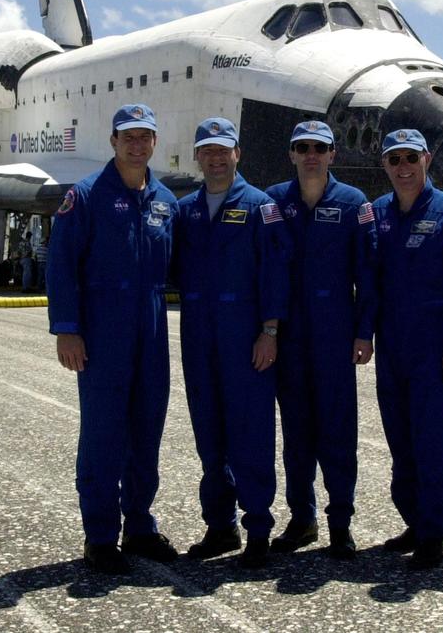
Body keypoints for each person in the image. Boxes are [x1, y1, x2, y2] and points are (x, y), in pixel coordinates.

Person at [46, 103, 180, 575]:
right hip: (103, 329)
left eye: (145, 137)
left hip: (151, 324)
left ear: (154, 143)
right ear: (113, 142)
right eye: (129, 137)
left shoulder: (166, 201)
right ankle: (100, 536)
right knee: (103, 434)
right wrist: (67, 328)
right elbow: (61, 264)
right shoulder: (85, 197)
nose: (137, 145)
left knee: (146, 431)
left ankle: (139, 527)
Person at [173, 117, 290, 569]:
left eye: (224, 150)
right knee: (209, 435)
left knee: (251, 432)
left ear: (237, 154)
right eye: (208, 151)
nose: (217, 158)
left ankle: (257, 527)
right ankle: (219, 526)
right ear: (198, 156)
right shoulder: (186, 212)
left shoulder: (261, 208)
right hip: (200, 335)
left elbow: (275, 274)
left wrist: (270, 330)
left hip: (247, 335)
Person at [371, 128, 443, 570]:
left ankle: (434, 534)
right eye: (394, 160)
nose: (403, 168)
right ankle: (415, 520)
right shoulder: (377, 214)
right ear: (385, 165)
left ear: (427, 159)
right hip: (392, 348)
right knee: (400, 442)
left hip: (435, 348)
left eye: (410, 158)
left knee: (432, 442)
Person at [265, 121, 376, 560]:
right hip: (290, 335)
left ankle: (341, 523)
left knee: (337, 433)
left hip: (334, 333)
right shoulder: (273, 202)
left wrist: (364, 332)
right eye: (302, 147)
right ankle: (301, 518)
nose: (311, 154)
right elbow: (266, 271)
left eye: (320, 148)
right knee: (296, 434)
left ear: (332, 154)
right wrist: (268, 330)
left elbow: (368, 276)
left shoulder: (353, 204)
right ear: (291, 154)